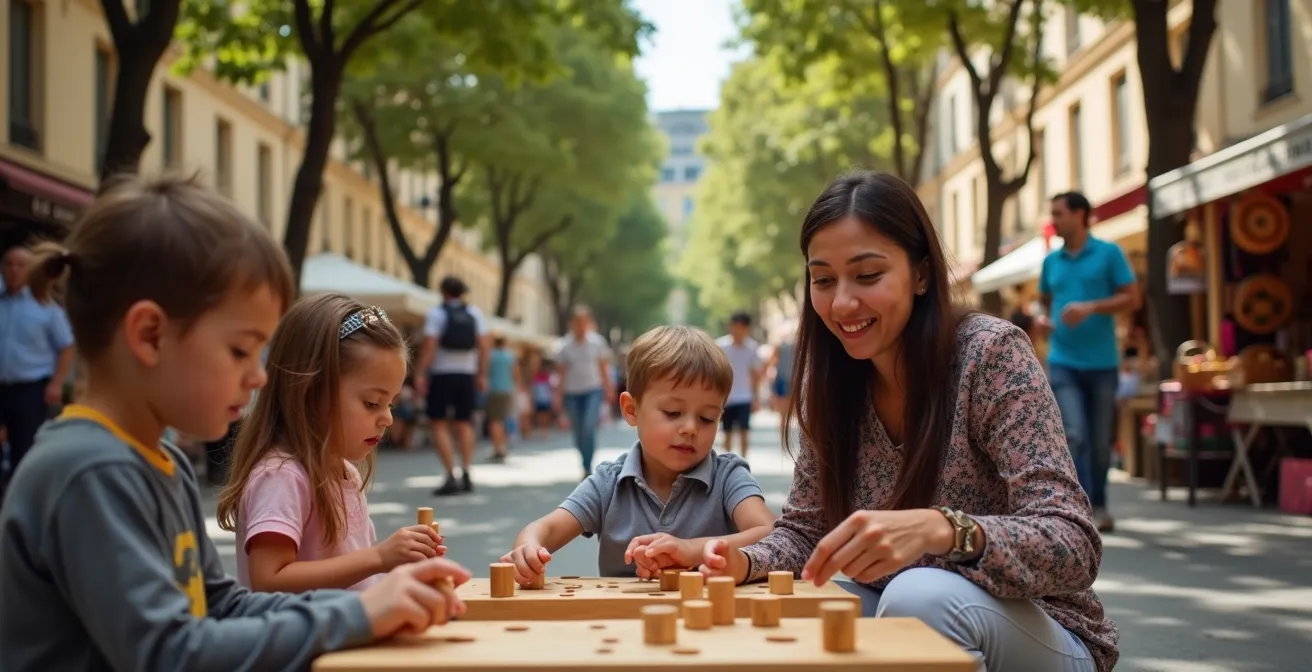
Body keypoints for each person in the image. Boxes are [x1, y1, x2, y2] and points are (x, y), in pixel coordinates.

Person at [0, 175, 470, 671]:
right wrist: (355, 615)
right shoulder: (92, 473)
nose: (259, 375)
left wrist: (369, 605)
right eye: (241, 350)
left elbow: (219, 607)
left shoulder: (162, 462)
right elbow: (168, 653)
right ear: (150, 335)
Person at [700, 172, 1117, 672]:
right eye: (824, 279)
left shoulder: (989, 355)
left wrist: (945, 530)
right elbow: (807, 532)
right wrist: (736, 561)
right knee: (791, 612)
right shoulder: (832, 381)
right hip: (910, 613)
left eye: (868, 275)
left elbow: (1072, 544)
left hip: (1044, 633)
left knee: (920, 595)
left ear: (921, 274)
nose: (842, 303)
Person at [501, 326, 775, 583]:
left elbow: (768, 533)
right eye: (672, 413)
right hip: (622, 627)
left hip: (709, 620)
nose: (690, 428)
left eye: (706, 418)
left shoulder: (728, 476)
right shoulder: (608, 482)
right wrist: (528, 548)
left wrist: (692, 550)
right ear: (631, 410)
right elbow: (545, 529)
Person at [218, 294, 448, 593]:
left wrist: (399, 573)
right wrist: (378, 557)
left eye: (390, 403)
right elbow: (270, 579)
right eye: (372, 403)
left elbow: (353, 582)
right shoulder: (281, 477)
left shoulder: (344, 472)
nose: (387, 418)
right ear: (310, 392)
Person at [1037, 192, 1140, 533]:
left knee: (1098, 442)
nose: (1054, 220)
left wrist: (1091, 308)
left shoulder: (1109, 254)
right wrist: (1042, 319)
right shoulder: (1051, 261)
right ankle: (1076, 507)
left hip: (1101, 363)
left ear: (1081, 215)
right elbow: (1044, 303)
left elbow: (1132, 297)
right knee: (1074, 433)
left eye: (1059, 213)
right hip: (1063, 360)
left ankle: (1100, 504)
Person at [0, 245, 76, 500]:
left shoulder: (45, 307)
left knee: (24, 447)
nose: (14, 270)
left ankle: (19, 501)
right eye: (9, 264)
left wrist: (57, 383)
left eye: (21, 265)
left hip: (30, 389)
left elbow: (66, 346)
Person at [414, 275, 490, 496]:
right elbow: (484, 346)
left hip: (442, 374)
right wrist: (482, 373)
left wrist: (420, 372)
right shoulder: (474, 313)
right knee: (464, 423)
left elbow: (430, 344)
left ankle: (450, 474)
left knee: (437, 422)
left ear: (444, 292)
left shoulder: (437, 313)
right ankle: (466, 470)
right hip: (467, 374)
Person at [553, 306, 614, 478]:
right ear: (571, 324)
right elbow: (561, 374)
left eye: (584, 322)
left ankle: (588, 463)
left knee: (588, 427)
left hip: (593, 391)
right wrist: (557, 396)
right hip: (571, 393)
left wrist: (609, 389)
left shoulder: (597, 342)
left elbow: (603, 368)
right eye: (577, 322)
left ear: (588, 323)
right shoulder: (564, 346)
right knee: (578, 430)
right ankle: (584, 461)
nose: (581, 326)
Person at [716, 312, 762, 458]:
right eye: (735, 327)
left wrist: (755, 397)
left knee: (744, 431)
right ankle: (727, 460)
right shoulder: (720, 346)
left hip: (744, 396)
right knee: (727, 431)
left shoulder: (752, 348)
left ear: (747, 328)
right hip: (727, 397)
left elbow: (755, 374)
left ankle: (743, 462)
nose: (738, 330)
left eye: (742, 327)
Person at [485, 333, 520, 462]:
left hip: (494, 390)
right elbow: (515, 373)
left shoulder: (490, 356)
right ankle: (501, 446)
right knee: (503, 419)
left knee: (495, 421)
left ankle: (498, 448)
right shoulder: (509, 355)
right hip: (507, 390)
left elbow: (485, 371)